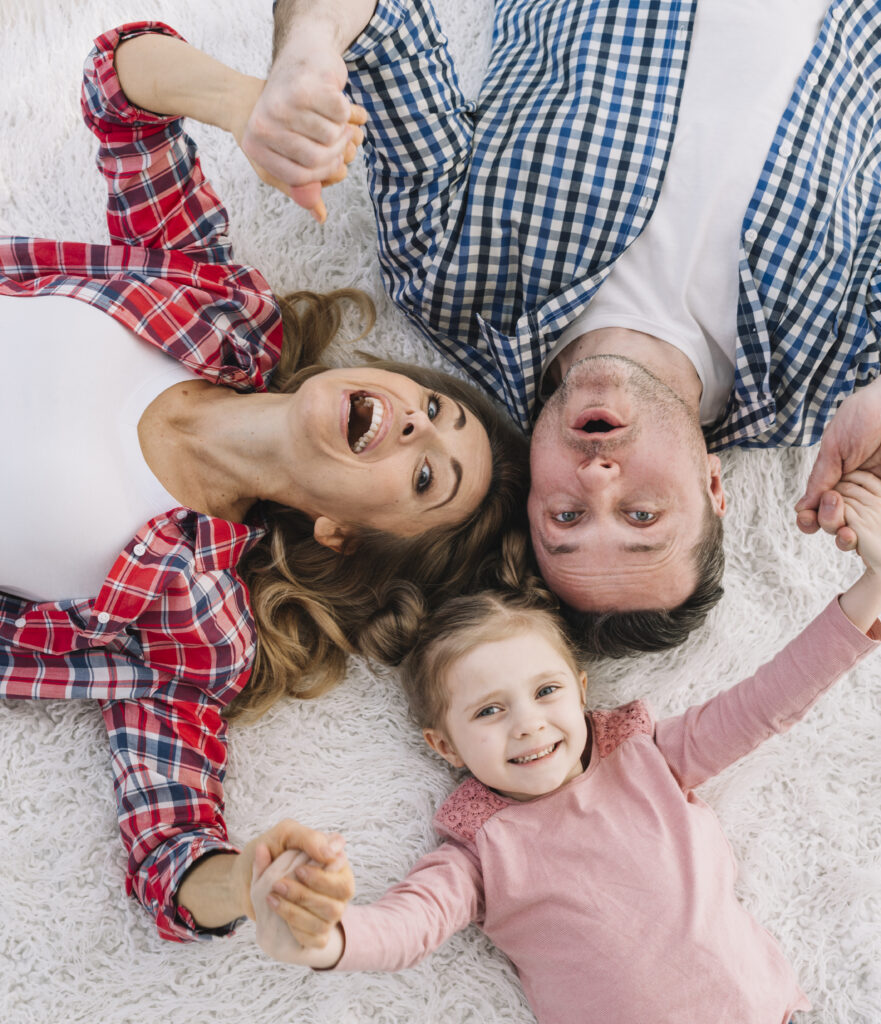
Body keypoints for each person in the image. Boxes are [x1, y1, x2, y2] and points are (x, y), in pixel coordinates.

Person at [240, 0, 881, 654]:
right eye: (643, 517)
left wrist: (305, 58)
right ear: (715, 489)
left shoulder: (452, 280)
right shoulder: (822, 379)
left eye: (566, 517)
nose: (597, 478)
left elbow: (384, 22)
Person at [0, 22, 528, 945]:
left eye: (426, 474)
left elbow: (171, 851)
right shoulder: (223, 308)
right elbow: (119, 86)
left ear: (342, 532)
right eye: (434, 410)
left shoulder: (200, 615)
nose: (415, 422)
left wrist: (249, 883)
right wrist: (246, 106)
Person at [247, 469, 881, 1024]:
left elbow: (769, 699)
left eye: (545, 691)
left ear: (581, 689)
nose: (528, 725)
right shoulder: (477, 851)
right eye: (490, 710)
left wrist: (872, 587)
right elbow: (407, 925)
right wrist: (327, 938)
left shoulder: (650, 756)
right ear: (444, 744)